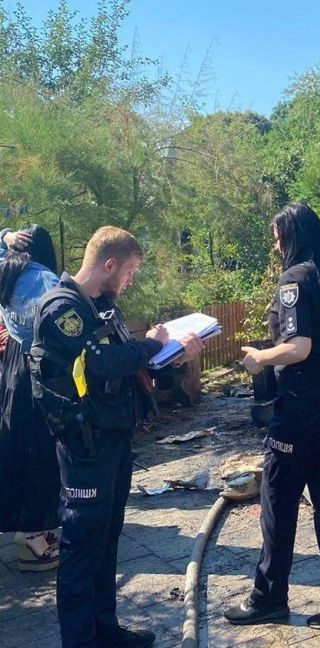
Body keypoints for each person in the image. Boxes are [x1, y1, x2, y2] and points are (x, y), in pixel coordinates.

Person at [31, 226, 204, 648]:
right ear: (108, 265)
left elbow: (130, 367)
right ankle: (80, 640)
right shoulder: (62, 308)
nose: (130, 282)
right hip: (83, 446)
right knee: (81, 546)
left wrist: (172, 353)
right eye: (128, 272)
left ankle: (105, 630)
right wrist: (150, 344)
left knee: (107, 541)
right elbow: (101, 364)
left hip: (112, 439)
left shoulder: (103, 307)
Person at [224, 204, 320, 634]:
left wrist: (259, 358)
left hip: (302, 404)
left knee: (279, 502)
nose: (275, 243)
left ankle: (268, 599)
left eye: (276, 235)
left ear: (290, 236)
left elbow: (298, 346)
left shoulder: (295, 282)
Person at [0, 225, 61, 571]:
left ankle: (27, 532)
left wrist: (5, 235)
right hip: (37, 368)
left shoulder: (7, 272)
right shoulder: (45, 282)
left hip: (12, 368)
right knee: (41, 451)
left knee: (16, 446)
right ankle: (35, 541)